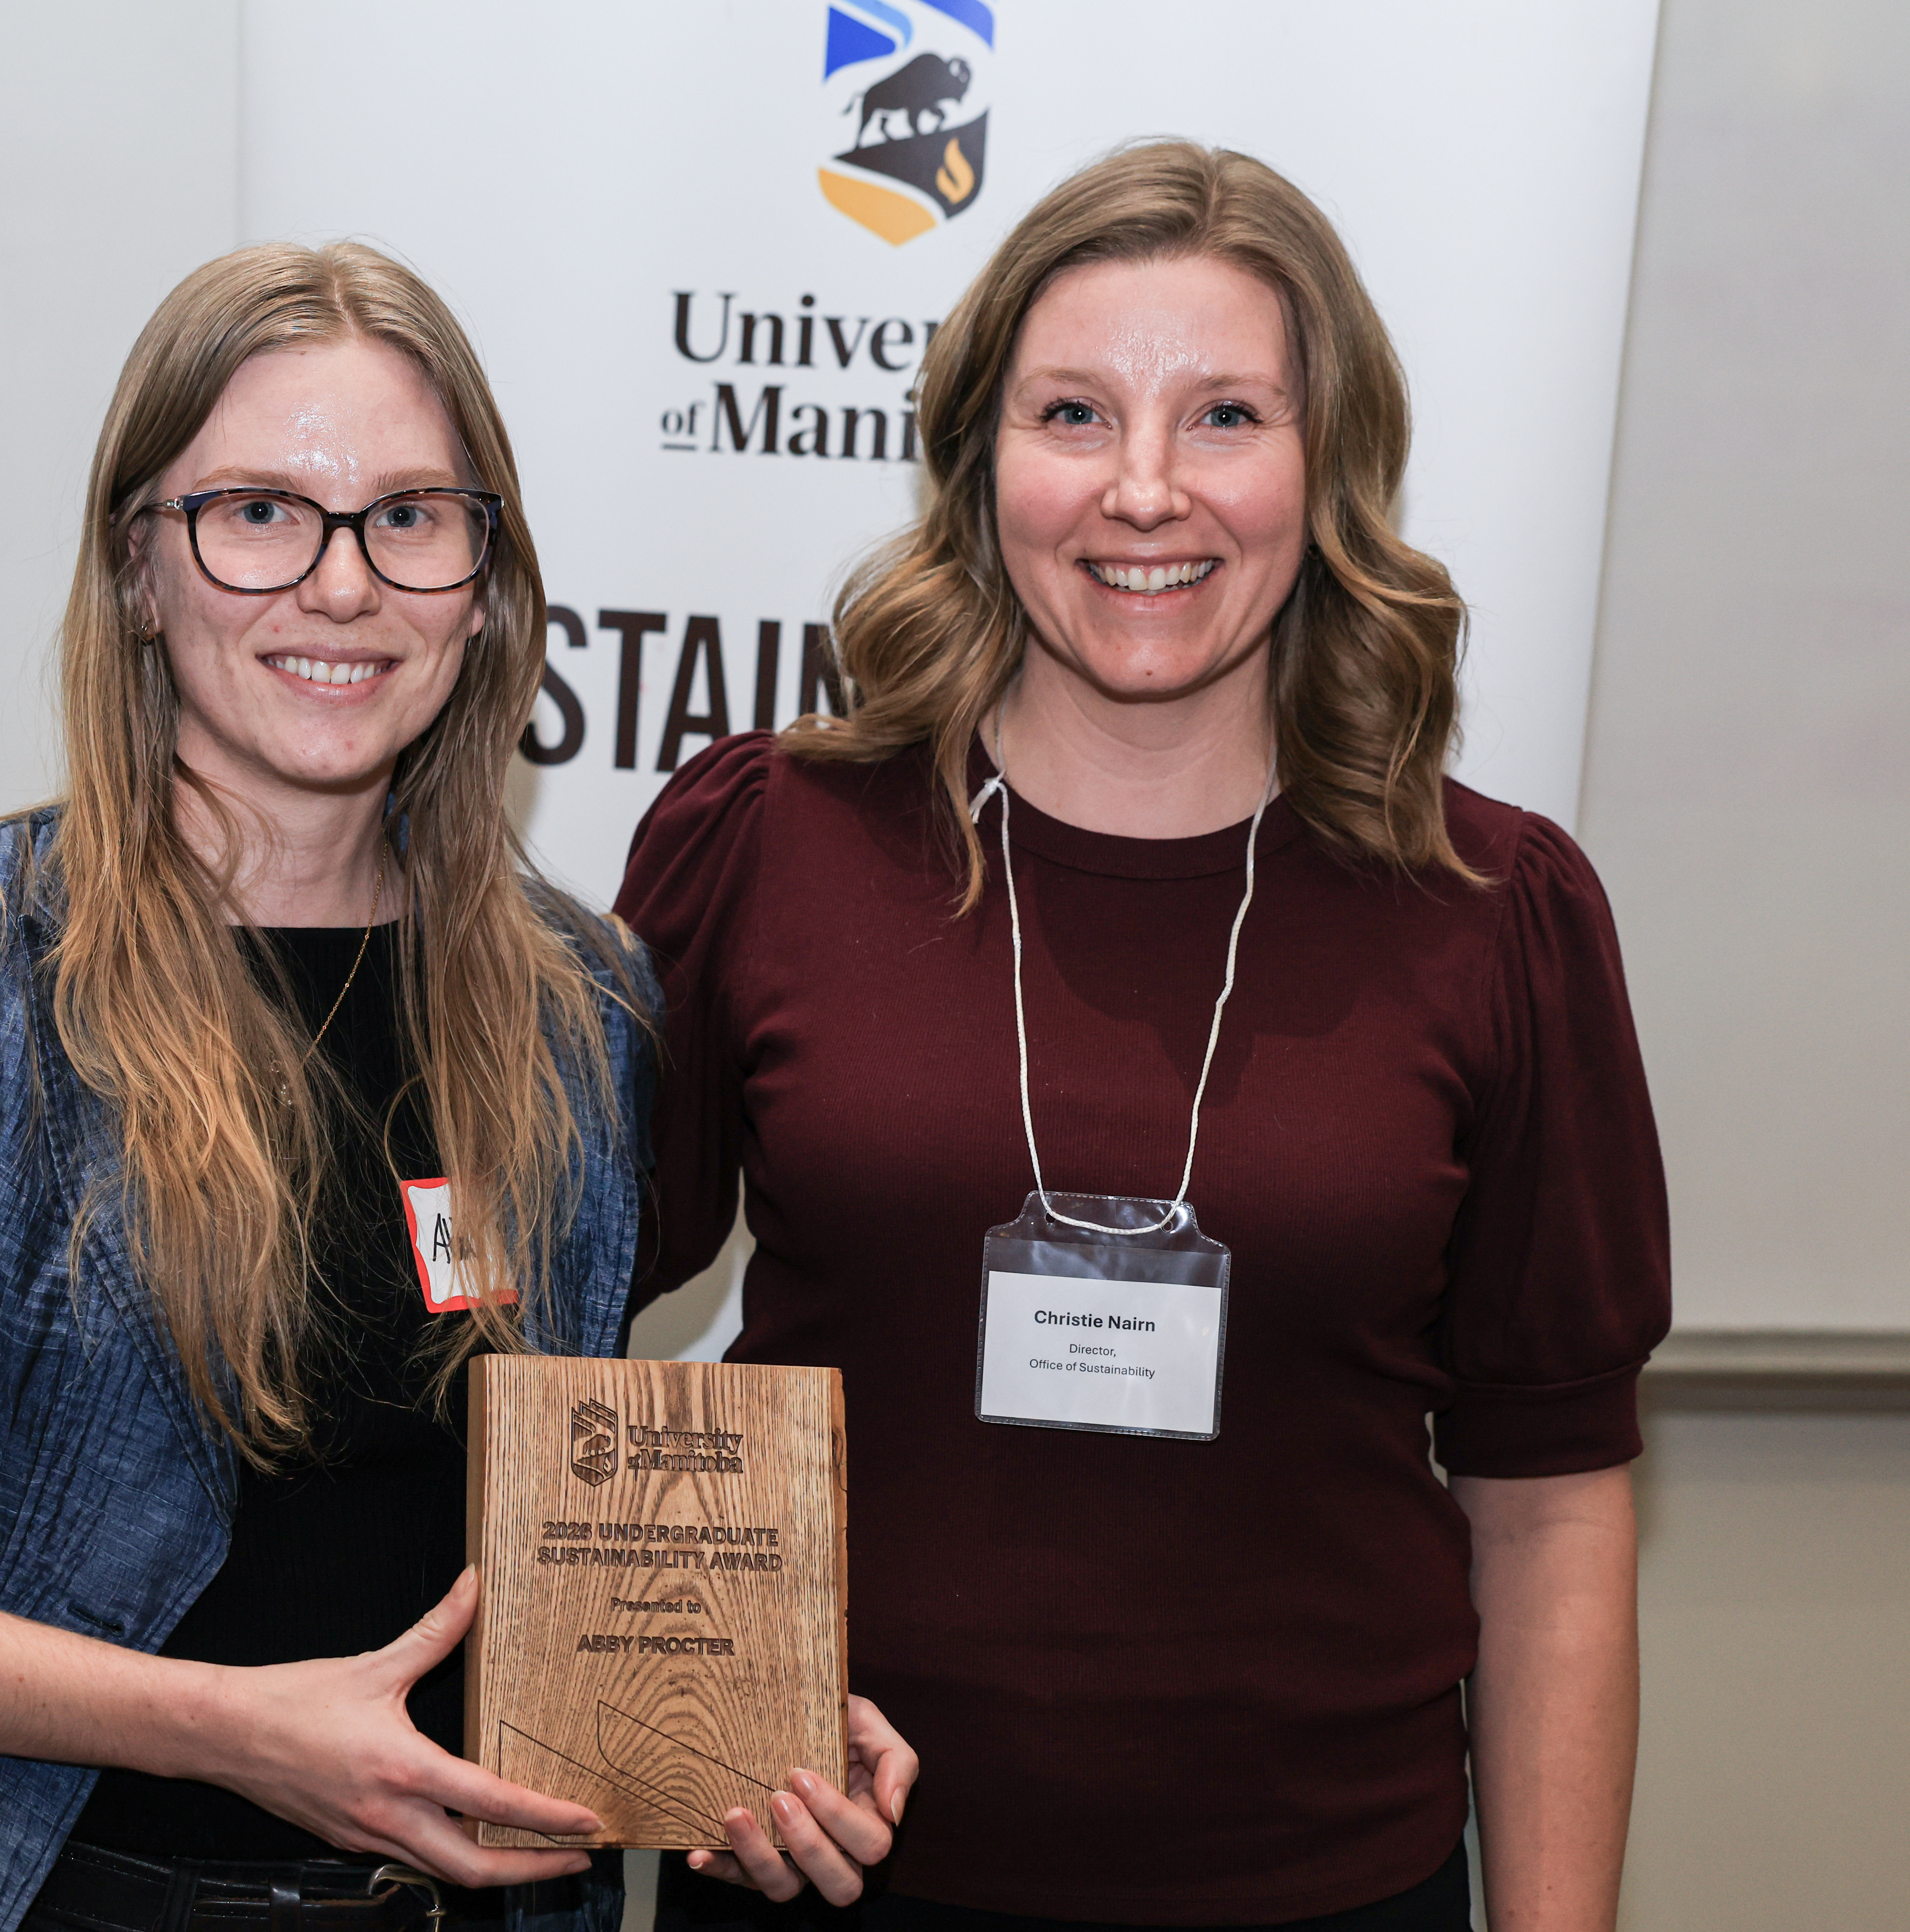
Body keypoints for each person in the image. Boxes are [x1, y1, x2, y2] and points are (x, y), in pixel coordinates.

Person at [0, 243, 912, 1932]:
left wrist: (731, 1721)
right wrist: (229, 1732)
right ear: (141, 568)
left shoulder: (579, 1000)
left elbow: (554, 1551)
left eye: (409, 517)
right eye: (259, 513)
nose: (343, 583)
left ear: (487, 584)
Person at [620, 143, 1666, 1932]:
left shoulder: (1497, 913)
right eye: (1076, 413)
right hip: (823, 1879)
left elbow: (1554, 1506)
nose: (1147, 490)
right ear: (979, 461)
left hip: (1331, 1890)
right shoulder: (764, 846)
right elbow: (559, 1339)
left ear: (1327, 468)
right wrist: (690, 1721)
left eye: (1229, 415)